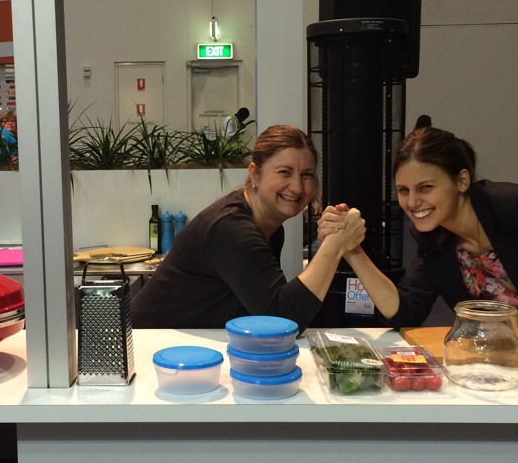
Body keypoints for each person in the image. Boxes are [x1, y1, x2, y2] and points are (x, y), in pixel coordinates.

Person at [318, 115, 518, 328]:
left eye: (425, 187)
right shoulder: (433, 237)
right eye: (403, 190)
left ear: (462, 181)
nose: (412, 202)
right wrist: (351, 249)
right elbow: (406, 312)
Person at [131, 124, 365, 329]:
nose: (296, 187)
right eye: (284, 172)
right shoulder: (231, 228)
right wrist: (333, 245)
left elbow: (262, 307)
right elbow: (282, 319)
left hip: (186, 345)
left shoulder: (270, 228)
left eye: (307, 175)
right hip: (147, 346)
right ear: (254, 174)